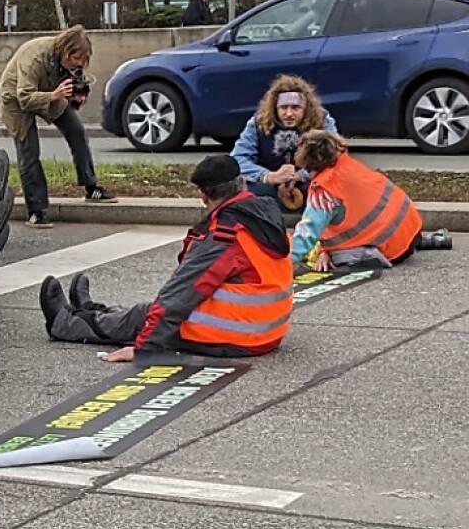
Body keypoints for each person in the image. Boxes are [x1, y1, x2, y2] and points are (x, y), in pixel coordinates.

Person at [38, 155, 293, 361]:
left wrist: (145, 349)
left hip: (236, 336)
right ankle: (89, 311)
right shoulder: (261, 216)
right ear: (242, 184)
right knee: (146, 314)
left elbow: (178, 297)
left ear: (203, 196)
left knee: (145, 316)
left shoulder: (225, 235)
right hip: (266, 330)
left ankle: (64, 323)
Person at [0, 25, 117, 229]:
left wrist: (76, 98)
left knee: (77, 131)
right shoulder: (34, 57)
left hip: (51, 92)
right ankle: (36, 211)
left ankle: (91, 187)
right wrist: (55, 95)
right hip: (17, 99)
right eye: (76, 58)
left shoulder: (72, 64)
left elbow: (71, 92)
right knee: (29, 151)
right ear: (64, 51)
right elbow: (25, 97)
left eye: (83, 60)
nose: (78, 64)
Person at [289, 130, 451, 272]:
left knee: (337, 256)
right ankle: (429, 240)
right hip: (411, 227)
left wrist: (288, 261)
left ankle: (372, 257)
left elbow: (308, 232)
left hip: (391, 248)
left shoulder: (324, 190)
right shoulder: (347, 165)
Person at [230, 74, 338, 212]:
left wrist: (301, 175)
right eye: (283, 108)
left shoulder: (322, 121)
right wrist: (269, 176)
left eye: (295, 108)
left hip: (309, 182)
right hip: (269, 185)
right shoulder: (258, 123)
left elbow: (334, 156)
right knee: (239, 188)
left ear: (306, 108)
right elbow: (238, 158)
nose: (289, 114)